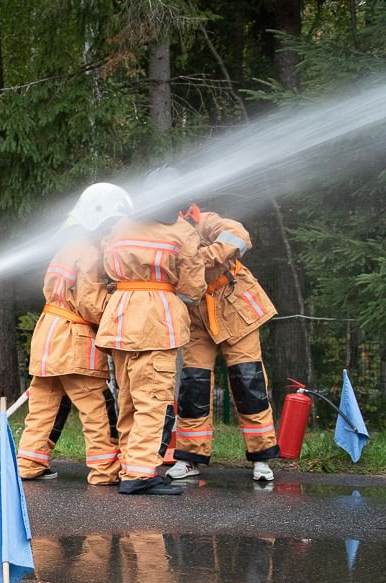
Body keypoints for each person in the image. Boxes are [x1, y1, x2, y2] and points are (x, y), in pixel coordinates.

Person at [77, 182, 207, 495]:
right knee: (153, 400)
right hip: (157, 322)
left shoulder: (119, 227)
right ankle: (140, 473)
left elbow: (105, 267)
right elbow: (192, 287)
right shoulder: (182, 231)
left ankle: (128, 466)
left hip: (120, 318)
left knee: (128, 399)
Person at [163, 199, 280, 482]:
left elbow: (239, 235)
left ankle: (262, 458)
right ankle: (190, 458)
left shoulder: (207, 220)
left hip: (235, 308)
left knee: (248, 380)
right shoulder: (162, 233)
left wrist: (200, 258)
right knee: (194, 385)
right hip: (195, 315)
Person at [16, 218, 119, 486]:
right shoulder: (92, 253)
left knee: (42, 408)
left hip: (47, 337)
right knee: (96, 407)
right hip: (73, 339)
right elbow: (90, 304)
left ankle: (28, 464)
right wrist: (116, 299)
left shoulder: (68, 248)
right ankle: (105, 470)